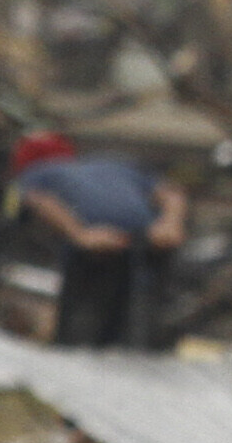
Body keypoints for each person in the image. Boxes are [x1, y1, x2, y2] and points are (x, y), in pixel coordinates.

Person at [10, 132, 187, 349]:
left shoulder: (36, 173)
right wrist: (171, 224)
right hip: (148, 238)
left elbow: (39, 199)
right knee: (144, 314)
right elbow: (171, 193)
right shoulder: (113, 164)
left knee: (83, 326)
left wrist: (78, 234)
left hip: (98, 242)